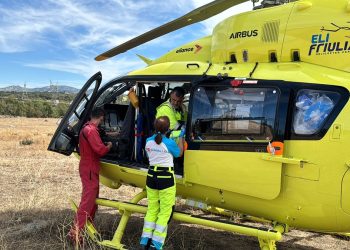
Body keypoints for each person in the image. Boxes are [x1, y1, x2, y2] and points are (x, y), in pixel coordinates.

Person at [69, 107, 112, 244]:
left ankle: (88, 228)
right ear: (101, 117)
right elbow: (100, 150)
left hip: (89, 167)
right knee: (87, 203)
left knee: (92, 201)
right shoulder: (91, 130)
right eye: (102, 119)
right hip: (89, 169)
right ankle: (75, 233)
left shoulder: (87, 128)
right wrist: (109, 146)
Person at [140, 116, 184, 250]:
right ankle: (157, 244)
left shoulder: (148, 141)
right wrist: (181, 138)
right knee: (165, 211)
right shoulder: (169, 142)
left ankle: (144, 241)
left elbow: (150, 156)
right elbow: (179, 153)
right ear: (168, 128)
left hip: (151, 176)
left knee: (152, 208)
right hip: (165, 178)